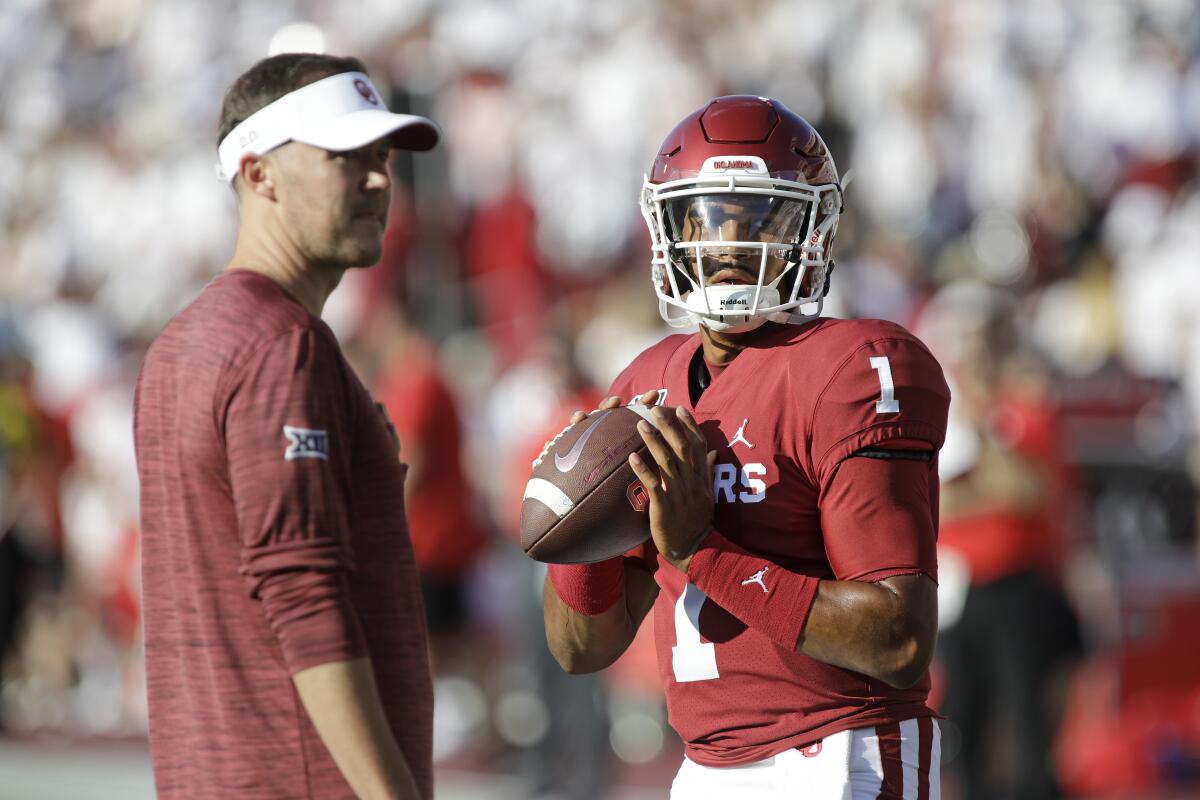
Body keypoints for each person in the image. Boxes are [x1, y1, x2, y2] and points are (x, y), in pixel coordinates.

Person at [538, 96, 951, 798]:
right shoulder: (644, 381)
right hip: (703, 768)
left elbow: (898, 642)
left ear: (812, 228)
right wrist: (580, 515)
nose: (730, 246)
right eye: (708, 219)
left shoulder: (858, 365)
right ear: (667, 228)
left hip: (837, 750)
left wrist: (701, 552)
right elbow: (584, 647)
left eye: (762, 217)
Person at [133, 53, 440, 799]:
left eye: (382, 158)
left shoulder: (181, 343)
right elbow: (302, 592)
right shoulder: (282, 344)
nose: (377, 180)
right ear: (257, 172)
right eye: (346, 158)